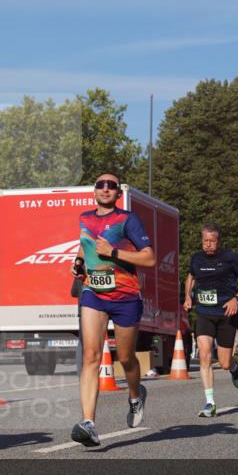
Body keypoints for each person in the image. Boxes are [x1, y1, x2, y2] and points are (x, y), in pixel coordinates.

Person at [68, 174, 155, 447]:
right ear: (94, 191)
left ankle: (134, 395)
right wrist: (78, 263)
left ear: (118, 193)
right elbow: (85, 249)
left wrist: (114, 253)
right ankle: (89, 423)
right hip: (93, 293)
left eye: (111, 185)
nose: (105, 188)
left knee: (127, 358)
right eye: (100, 185)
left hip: (126, 297)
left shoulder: (128, 220)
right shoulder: (85, 218)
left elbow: (149, 258)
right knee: (91, 356)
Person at [183, 224, 238, 418]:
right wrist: (188, 296)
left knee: (223, 362)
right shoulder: (197, 258)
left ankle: (233, 367)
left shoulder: (230, 258)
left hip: (226, 314)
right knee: (205, 356)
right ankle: (210, 403)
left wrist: (236, 299)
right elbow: (191, 276)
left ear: (218, 241)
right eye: (205, 240)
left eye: (212, 241)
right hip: (204, 312)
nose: (208, 244)